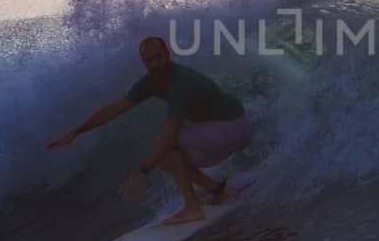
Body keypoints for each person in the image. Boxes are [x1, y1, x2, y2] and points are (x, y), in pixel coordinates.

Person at [47, 35, 253, 226]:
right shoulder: (151, 82)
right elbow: (114, 109)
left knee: (169, 147)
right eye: (148, 59)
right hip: (223, 129)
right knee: (166, 157)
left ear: (168, 55)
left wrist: (141, 172)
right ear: (143, 61)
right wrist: (76, 132)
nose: (154, 63)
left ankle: (192, 208)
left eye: (158, 57)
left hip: (232, 128)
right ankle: (217, 189)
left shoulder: (180, 83)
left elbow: (170, 137)